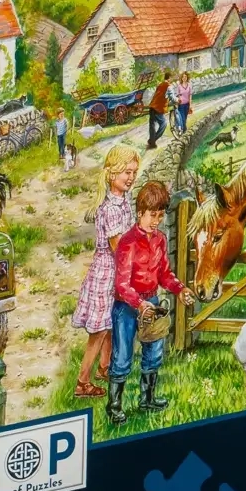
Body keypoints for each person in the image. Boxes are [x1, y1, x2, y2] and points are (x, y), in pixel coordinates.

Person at [107, 181, 195, 423]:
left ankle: (147, 398)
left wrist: (179, 289)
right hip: (126, 307)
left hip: (152, 302)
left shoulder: (160, 240)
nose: (156, 221)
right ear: (140, 213)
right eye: (151, 215)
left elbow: (164, 274)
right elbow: (121, 284)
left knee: (154, 352)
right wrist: (139, 304)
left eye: (160, 215)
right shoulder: (128, 242)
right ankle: (114, 406)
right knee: (122, 356)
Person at [69, 145, 140, 396]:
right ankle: (82, 382)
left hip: (117, 271)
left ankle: (105, 367)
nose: (131, 177)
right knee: (99, 330)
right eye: (126, 172)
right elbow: (118, 247)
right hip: (107, 273)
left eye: (133, 172)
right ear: (112, 174)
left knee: (110, 323)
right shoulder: (109, 208)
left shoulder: (124, 202)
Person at [145, 71, 173, 149]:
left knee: (152, 125)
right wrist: (177, 100)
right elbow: (171, 96)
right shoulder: (168, 86)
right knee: (164, 124)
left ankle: (152, 143)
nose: (172, 80)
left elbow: (158, 96)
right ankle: (152, 140)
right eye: (171, 78)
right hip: (158, 108)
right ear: (169, 78)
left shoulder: (160, 85)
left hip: (152, 107)